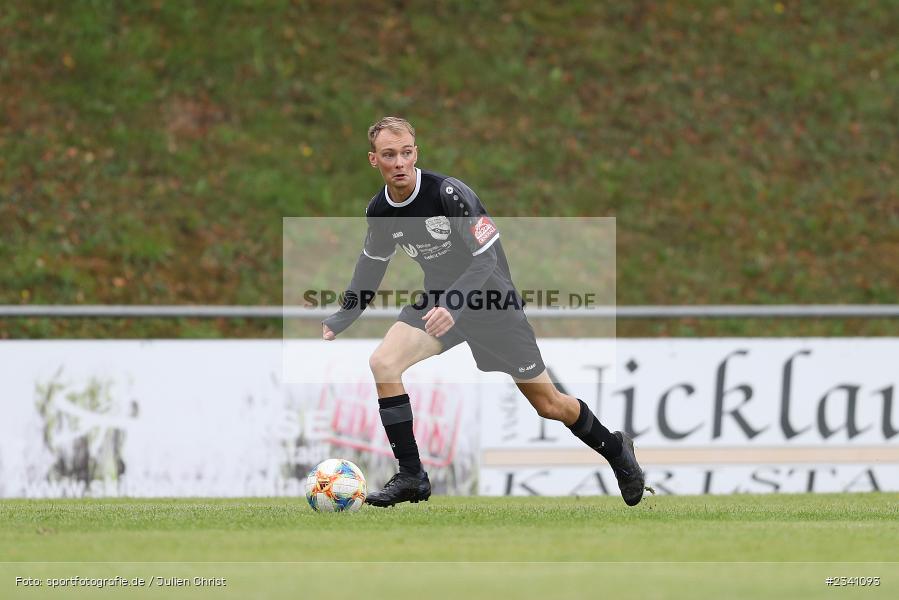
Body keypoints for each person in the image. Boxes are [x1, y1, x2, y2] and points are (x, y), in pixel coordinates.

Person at [322, 116, 645, 507]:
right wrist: (343, 315)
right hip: (441, 304)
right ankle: (412, 476)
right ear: (374, 160)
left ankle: (616, 451)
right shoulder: (380, 211)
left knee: (549, 404)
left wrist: (455, 304)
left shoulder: (449, 193)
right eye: (389, 155)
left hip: (492, 305)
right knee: (384, 363)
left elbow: (486, 259)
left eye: (406, 152)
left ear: (416, 152)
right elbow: (371, 265)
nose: (400, 162)